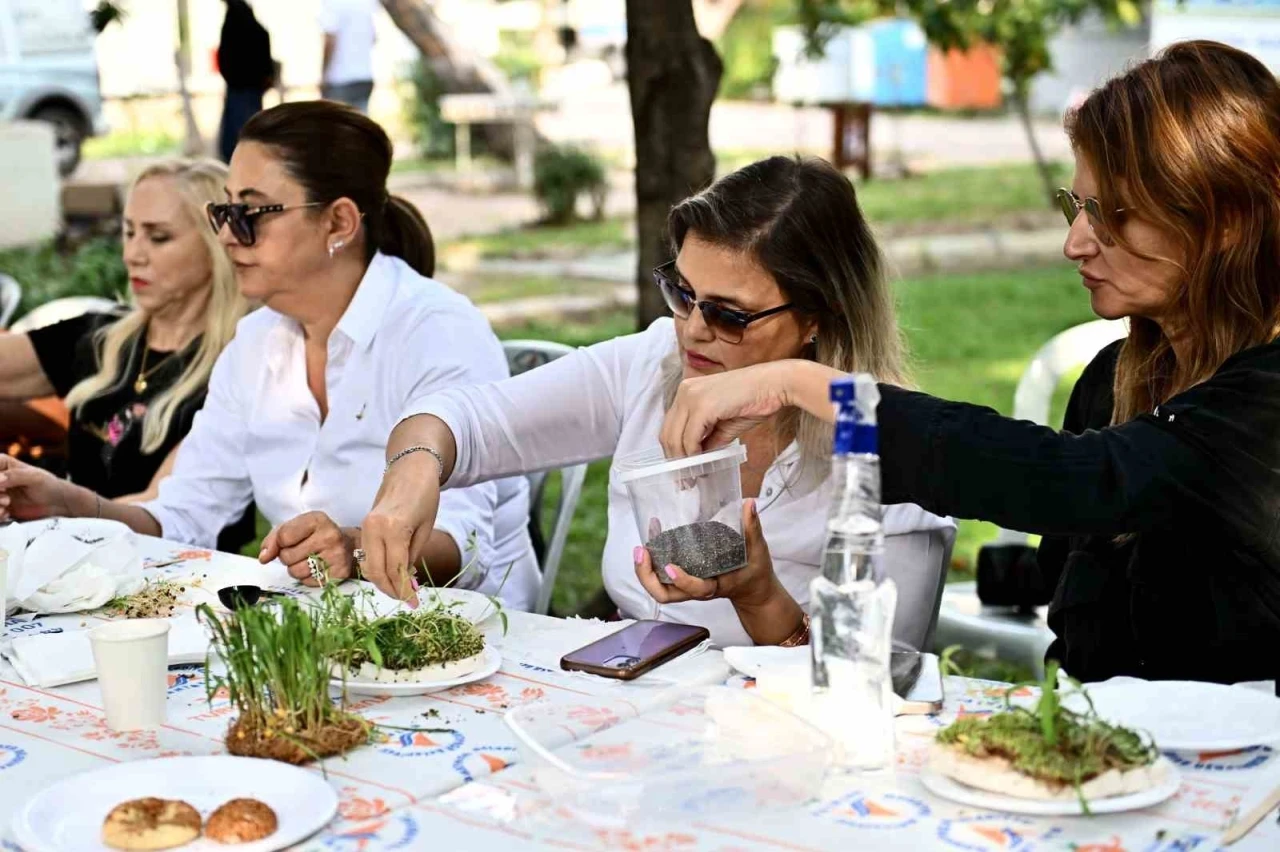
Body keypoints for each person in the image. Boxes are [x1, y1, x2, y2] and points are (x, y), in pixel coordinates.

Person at [646, 41, 1280, 684]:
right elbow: (1075, 575)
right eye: (1076, 206)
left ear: (1226, 220)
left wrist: (802, 385)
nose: (1074, 243)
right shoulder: (1113, 382)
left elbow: (1075, 481)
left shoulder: (1266, 398)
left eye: (1112, 214)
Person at [355, 156, 954, 647]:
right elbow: (464, 420)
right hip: (629, 698)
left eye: (729, 314)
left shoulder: (896, 459)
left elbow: (876, 691)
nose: (692, 329)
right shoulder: (652, 363)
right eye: (682, 293)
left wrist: (758, 597)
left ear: (819, 317)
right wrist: (415, 469)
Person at [0, 101, 540, 610]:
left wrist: (352, 548)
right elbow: (185, 514)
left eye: (252, 212)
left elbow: (464, 545)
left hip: (468, 634)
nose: (228, 236)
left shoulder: (435, 331)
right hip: (324, 625)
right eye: (223, 211)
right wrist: (67, 503)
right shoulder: (257, 342)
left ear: (339, 223)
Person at [0, 160, 255, 551]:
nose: (133, 254)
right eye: (129, 232)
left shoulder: (239, 366)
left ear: (217, 245)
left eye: (159, 238)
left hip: (175, 574)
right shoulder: (103, 336)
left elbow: (166, 516)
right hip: (65, 555)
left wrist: (56, 509)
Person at [216, 0, 275, 164]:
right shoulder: (258, 31)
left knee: (243, 133)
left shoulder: (236, 29)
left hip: (241, 88)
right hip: (248, 88)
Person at [319, 0, 376, 113]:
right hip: (364, 76)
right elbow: (373, 38)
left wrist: (324, 75)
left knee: (335, 121)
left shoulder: (331, 3)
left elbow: (330, 40)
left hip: (339, 79)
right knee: (359, 121)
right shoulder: (368, 3)